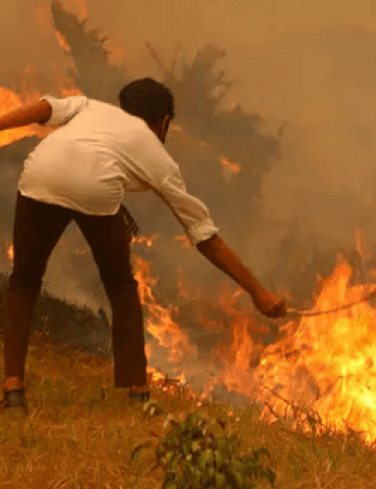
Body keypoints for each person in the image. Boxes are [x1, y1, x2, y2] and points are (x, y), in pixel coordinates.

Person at [0, 78, 287, 413]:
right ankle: (138, 392)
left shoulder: (90, 106)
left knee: (23, 281)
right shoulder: (157, 153)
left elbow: (46, 107)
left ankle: (13, 390)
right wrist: (258, 292)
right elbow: (204, 234)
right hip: (96, 191)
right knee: (121, 287)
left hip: (40, 175)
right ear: (163, 122)